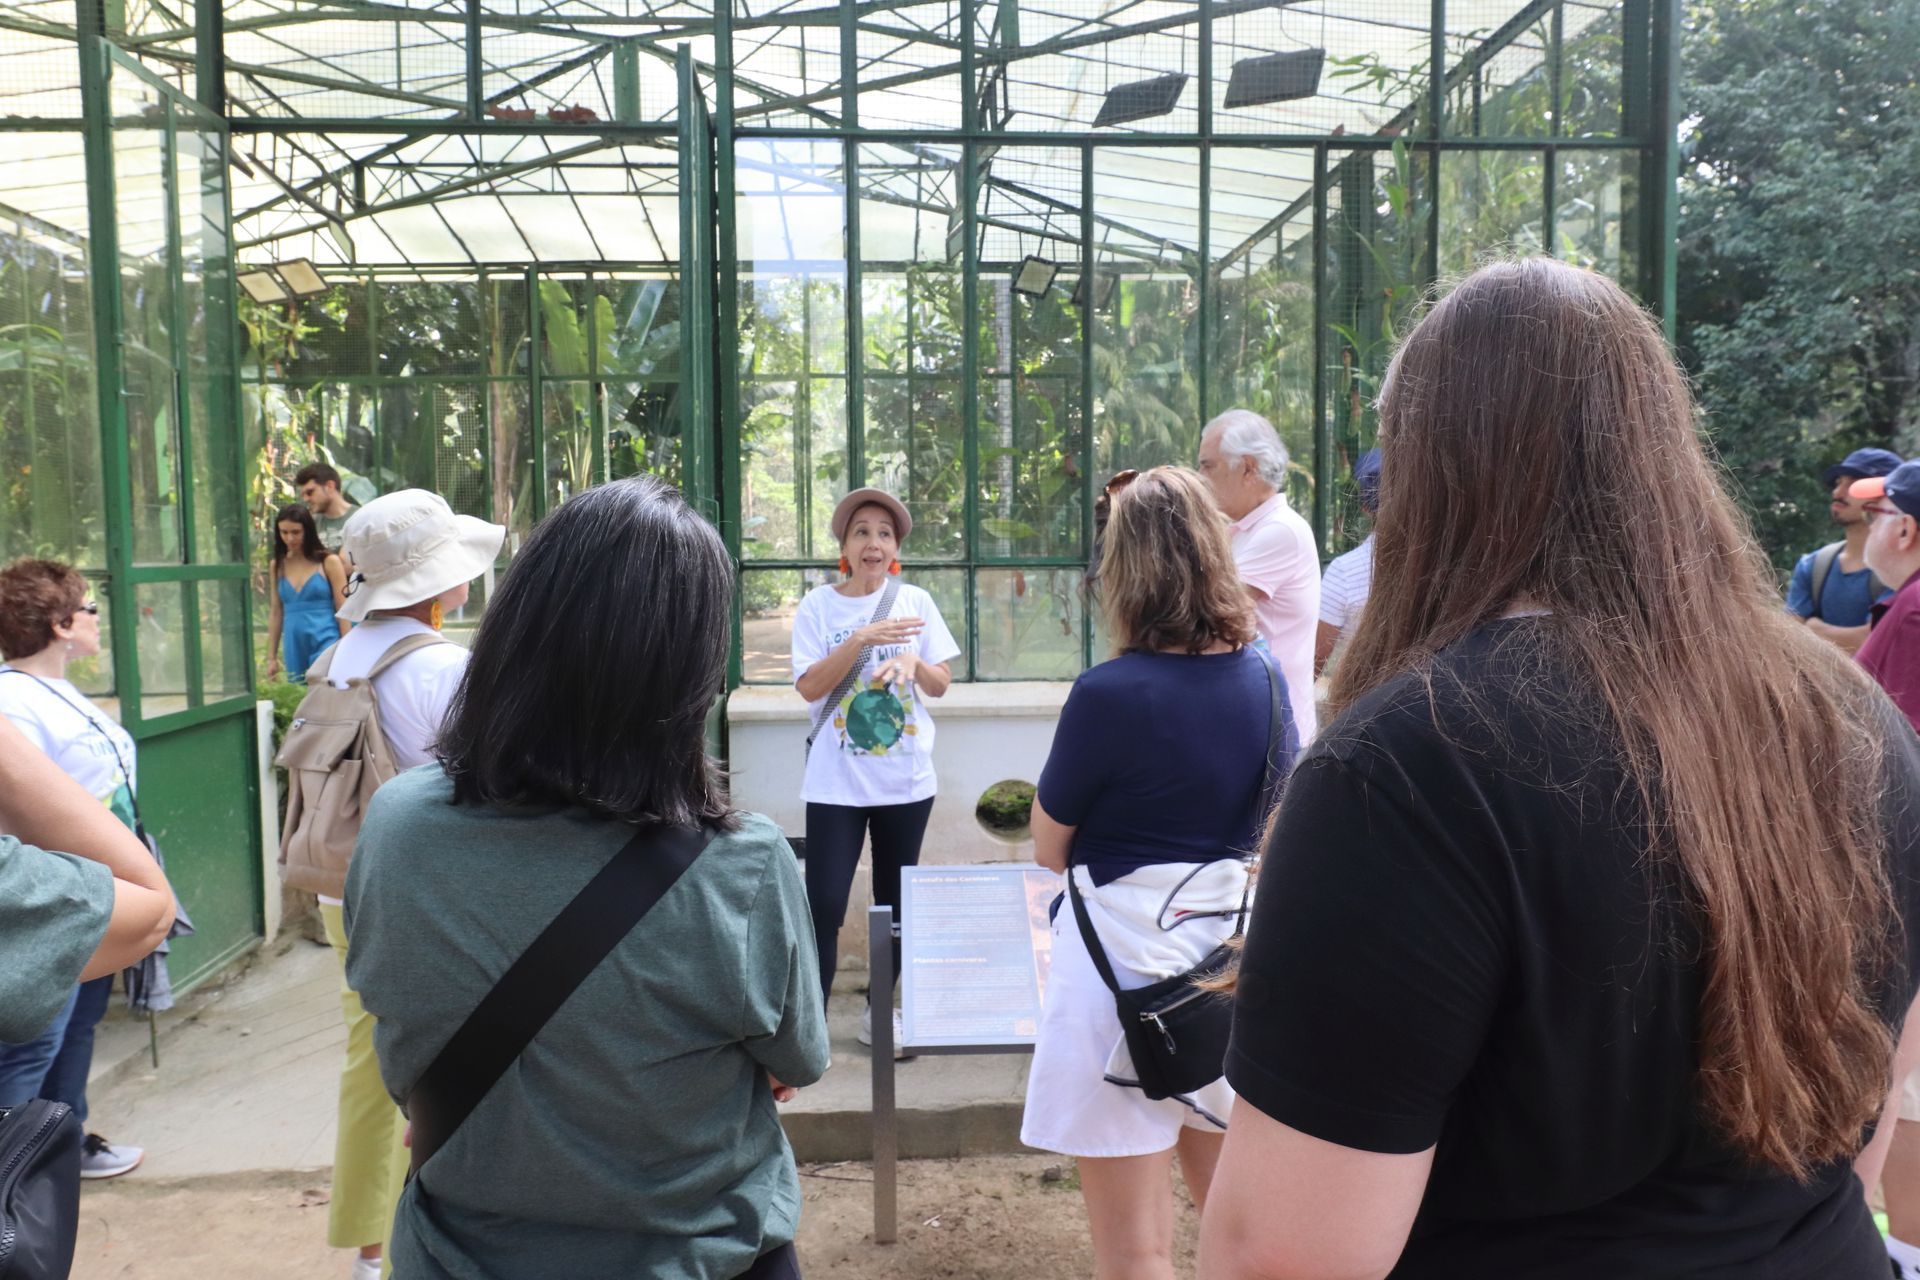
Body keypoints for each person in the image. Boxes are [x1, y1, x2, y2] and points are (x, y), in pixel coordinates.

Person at [1198, 257, 1920, 1280]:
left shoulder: (1404, 766)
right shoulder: (1858, 719)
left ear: (1428, 470)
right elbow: (1861, 1124)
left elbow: (1284, 1255)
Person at [346, 476, 828, 1280]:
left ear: (518, 628)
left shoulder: (396, 827)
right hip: (697, 1254)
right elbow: (794, 1060)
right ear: (688, 674)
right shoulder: (741, 865)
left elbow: (397, 1015)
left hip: (462, 1254)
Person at [1023, 466, 1296, 1280]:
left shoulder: (1107, 695)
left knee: (1135, 1253)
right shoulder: (1266, 680)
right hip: (1227, 974)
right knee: (1237, 1239)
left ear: (1127, 568)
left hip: (1117, 982)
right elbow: (1277, 825)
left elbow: (1048, 846)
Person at [302, 489, 503, 1280]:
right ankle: (410, 1249)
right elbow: (491, 785)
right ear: (438, 581)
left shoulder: (339, 656)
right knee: (433, 1070)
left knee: (369, 1061)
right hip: (424, 899)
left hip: (340, 887)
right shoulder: (444, 668)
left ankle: (368, 1247)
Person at [0, 558, 162, 1178]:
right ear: (61, 624)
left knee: (79, 1025)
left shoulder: (55, 688)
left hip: (99, 889)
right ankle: (16, 1180)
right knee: (34, 1044)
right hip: (56, 896)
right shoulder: (13, 700)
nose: (97, 619)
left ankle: (64, 1150)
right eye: (89, 609)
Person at [790, 486, 961, 1051]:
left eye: (884, 533)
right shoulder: (818, 607)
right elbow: (809, 686)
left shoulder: (915, 601)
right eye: (861, 532)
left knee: (896, 905)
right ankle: (811, 1028)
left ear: (896, 548)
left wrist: (914, 662)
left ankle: (879, 1012)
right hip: (834, 783)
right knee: (824, 904)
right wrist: (861, 638)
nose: (874, 543)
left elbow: (940, 684)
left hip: (904, 783)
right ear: (844, 546)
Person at [1848, 461, 1920, 1279]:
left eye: (1879, 515)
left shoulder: (1913, 615)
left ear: (1904, 528)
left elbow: (1887, 770)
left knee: (1903, 1089)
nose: (1870, 528)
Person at [0, 714, 174, 1048]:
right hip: (77, 888)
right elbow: (152, 909)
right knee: (40, 1051)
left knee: (76, 1030)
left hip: (73, 888)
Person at [1197, 410, 1320, 743]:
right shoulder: (1245, 530)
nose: (1199, 477)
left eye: (1207, 466)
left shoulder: (1279, 530)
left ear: (1248, 468)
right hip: (1257, 723)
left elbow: (1207, 613)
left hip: (1272, 734)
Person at [1786, 446, 1903, 655]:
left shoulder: (1904, 572)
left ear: (1887, 497)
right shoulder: (1813, 565)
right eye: (1838, 483)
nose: (1837, 492)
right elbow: (1789, 635)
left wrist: (1813, 627)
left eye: (1854, 484)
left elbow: (1874, 641)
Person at [264, 502, 349, 684]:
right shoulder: (277, 565)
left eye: (296, 532)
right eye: (284, 532)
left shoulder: (329, 561)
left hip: (326, 636)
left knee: (326, 688)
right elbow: (276, 611)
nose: (290, 538)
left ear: (307, 531)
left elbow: (343, 606)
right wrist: (271, 657)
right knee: (299, 692)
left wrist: (347, 646)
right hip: (294, 641)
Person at [1314, 447, 1381, 675]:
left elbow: (1317, 658)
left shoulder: (1344, 570)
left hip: (1360, 692)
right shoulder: (1444, 562)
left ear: (1365, 507)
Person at [297, 462, 357, 554]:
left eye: (310, 492)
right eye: (303, 495)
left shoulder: (359, 517)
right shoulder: (310, 523)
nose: (306, 499)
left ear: (330, 486)